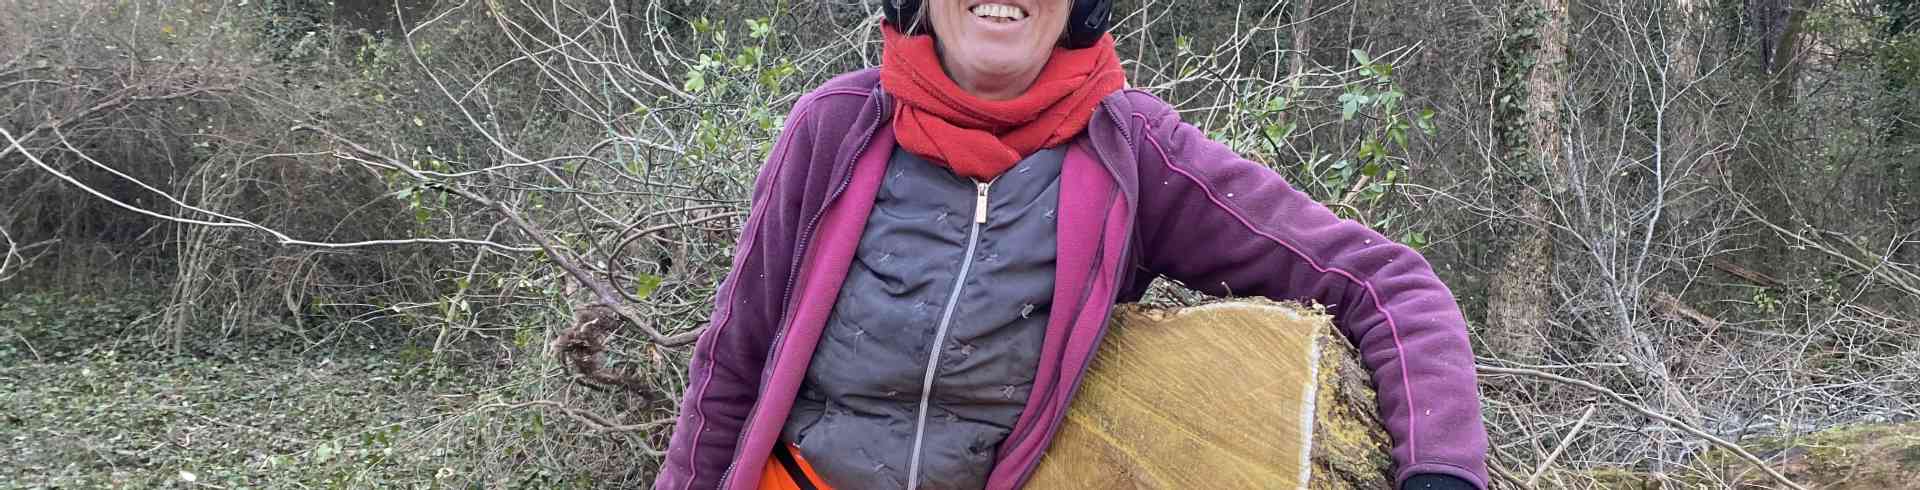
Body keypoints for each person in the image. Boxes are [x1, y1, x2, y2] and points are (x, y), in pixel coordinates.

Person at [653, 1, 1489, 489]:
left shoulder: (1133, 154)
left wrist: (1441, 468)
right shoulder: (836, 128)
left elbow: (1387, 283)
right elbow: (730, 369)